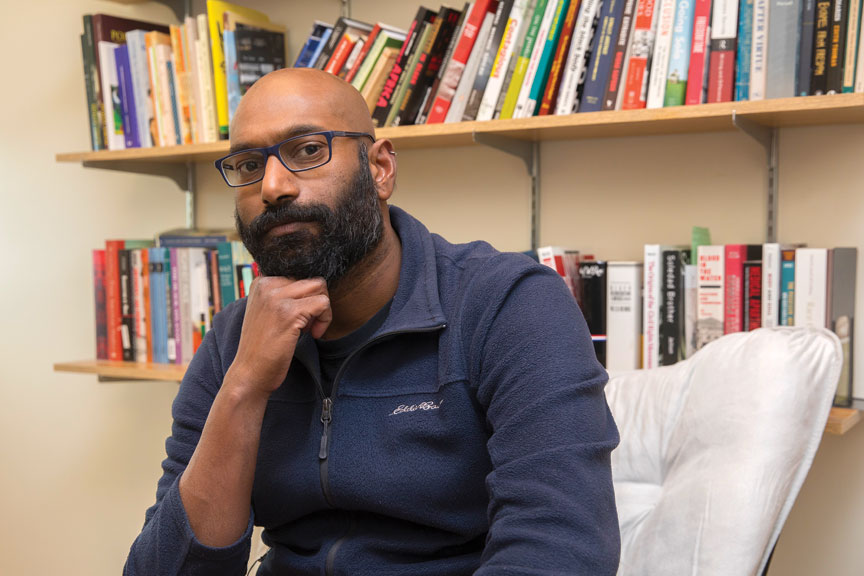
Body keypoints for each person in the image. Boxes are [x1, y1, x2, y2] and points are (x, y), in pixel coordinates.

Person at [124, 68, 620, 576]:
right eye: (250, 164)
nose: (272, 187)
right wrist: (244, 386)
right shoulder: (235, 339)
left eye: (308, 150)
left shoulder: (509, 305)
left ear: (380, 168)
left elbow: (559, 549)